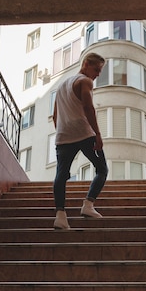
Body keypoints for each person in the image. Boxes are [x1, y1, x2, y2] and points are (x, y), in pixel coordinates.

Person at [52, 52, 109, 229]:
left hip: (63, 135)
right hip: (84, 134)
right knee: (102, 169)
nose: (98, 74)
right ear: (85, 64)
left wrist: (64, 132)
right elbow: (88, 107)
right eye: (97, 69)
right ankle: (88, 205)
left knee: (61, 175)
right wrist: (97, 134)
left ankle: (60, 216)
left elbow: (55, 116)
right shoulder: (85, 81)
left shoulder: (61, 86)